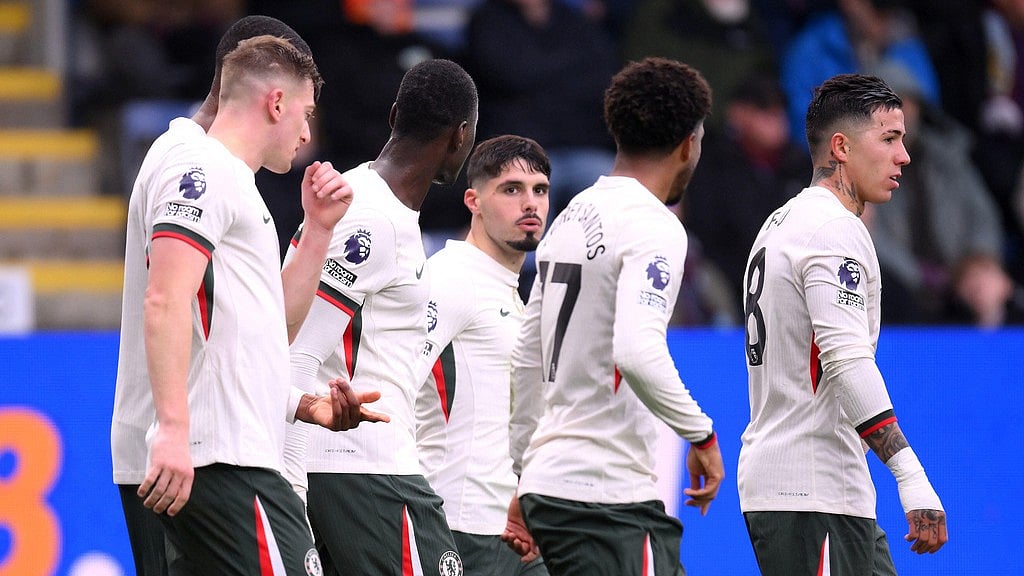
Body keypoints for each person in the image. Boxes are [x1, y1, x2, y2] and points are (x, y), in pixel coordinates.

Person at [111, 33, 386, 576]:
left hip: (211, 449)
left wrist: (318, 232)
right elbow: (165, 300)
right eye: (305, 113)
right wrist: (170, 429)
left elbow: (263, 329)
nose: (309, 132)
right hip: (219, 457)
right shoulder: (203, 168)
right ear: (276, 102)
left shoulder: (231, 179)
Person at [503, 56, 726, 576]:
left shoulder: (569, 219)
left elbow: (526, 362)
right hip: (605, 500)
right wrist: (702, 436)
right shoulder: (655, 227)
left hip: (553, 490)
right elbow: (638, 352)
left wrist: (526, 475)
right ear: (689, 144)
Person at [737, 73, 948, 575]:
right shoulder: (835, 229)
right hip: (812, 489)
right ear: (841, 147)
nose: (904, 156)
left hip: (812, 488)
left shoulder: (781, 222)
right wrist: (910, 475)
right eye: (890, 139)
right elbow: (844, 358)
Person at [282, 58, 478, 575]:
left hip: (352, 468)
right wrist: (295, 490)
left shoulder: (364, 199)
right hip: (360, 471)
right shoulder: (371, 221)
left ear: (394, 115)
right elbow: (295, 348)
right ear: (461, 136)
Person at [414, 134, 551, 575]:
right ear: (473, 200)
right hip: (460, 524)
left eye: (539, 190)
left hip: (515, 527)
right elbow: (394, 384)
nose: (529, 203)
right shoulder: (451, 279)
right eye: (511, 189)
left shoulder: (513, 295)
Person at [864, 60, 1014, 327]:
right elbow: (869, 235)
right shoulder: (860, 167)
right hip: (898, 283)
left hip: (957, 274)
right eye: (892, 105)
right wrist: (919, 275)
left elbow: (981, 214)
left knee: (993, 291)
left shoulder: (948, 158)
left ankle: (988, 364)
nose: (904, 112)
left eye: (909, 102)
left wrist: (980, 260)